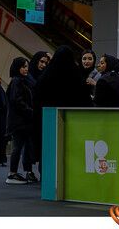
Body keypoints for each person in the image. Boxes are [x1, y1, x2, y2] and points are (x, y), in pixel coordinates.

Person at [34, 45, 92, 177]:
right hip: (71, 124)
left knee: (49, 149)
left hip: (47, 124)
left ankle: (47, 176)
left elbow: (37, 101)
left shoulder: (44, 78)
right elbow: (85, 101)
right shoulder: (76, 77)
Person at [6, 57, 37, 184]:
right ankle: (12, 173)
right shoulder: (16, 82)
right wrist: (30, 110)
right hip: (20, 120)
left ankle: (16, 172)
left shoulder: (21, 81)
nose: (26, 69)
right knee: (18, 146)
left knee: (21, 146)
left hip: (22, 120)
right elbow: (16, 101)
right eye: (24, 66)